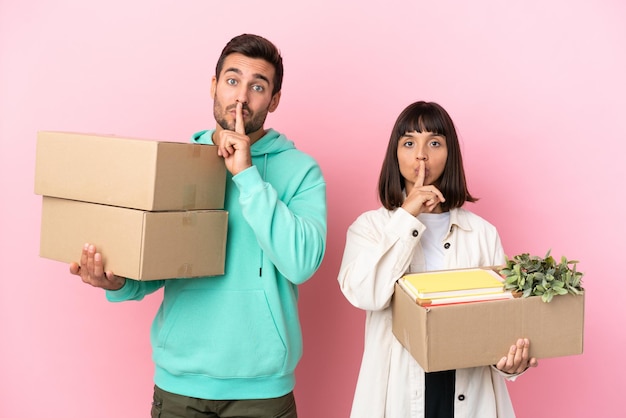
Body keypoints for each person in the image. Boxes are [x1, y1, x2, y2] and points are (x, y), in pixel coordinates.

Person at [70, 34, 327, 418]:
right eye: (232, 80)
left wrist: (248, 176)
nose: (241, 96)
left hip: (262, 388)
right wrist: (119, 282)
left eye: (258, 86)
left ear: (273, 100)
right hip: (179, 385)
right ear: (214, 85)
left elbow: (302, 262)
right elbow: (160, 264)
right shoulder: (178, 165)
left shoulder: (302, 171)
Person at [337, 101, 538, 418]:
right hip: (397, 398)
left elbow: (501, 325)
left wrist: (510, 363)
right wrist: (407, 216)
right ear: (396, 155)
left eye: (434, 142)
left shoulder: (483, 234)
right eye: (408, 142)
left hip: (469, 396)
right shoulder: (370, 228)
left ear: (450, 154)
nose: (421, 154)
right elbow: (366, 295)